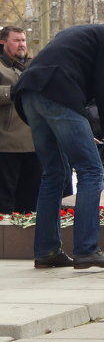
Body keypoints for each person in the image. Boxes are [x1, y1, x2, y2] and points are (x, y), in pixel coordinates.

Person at [13, 22, 104, 269]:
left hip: (29, 93)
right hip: (58, 92)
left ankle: (47, 251)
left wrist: (79, 129)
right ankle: (86, 249)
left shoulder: (81, 34)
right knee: (92, 171)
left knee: (54, 173)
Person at [0, 26, 40, 213]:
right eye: (16, 40)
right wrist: (12, 91)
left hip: (35, 142)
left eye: (23, 40)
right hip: (7, 144)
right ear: (3, 42)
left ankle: (26, 240)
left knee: (30, 200)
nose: (21, 44)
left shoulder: (34, 64)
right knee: (5, 199)